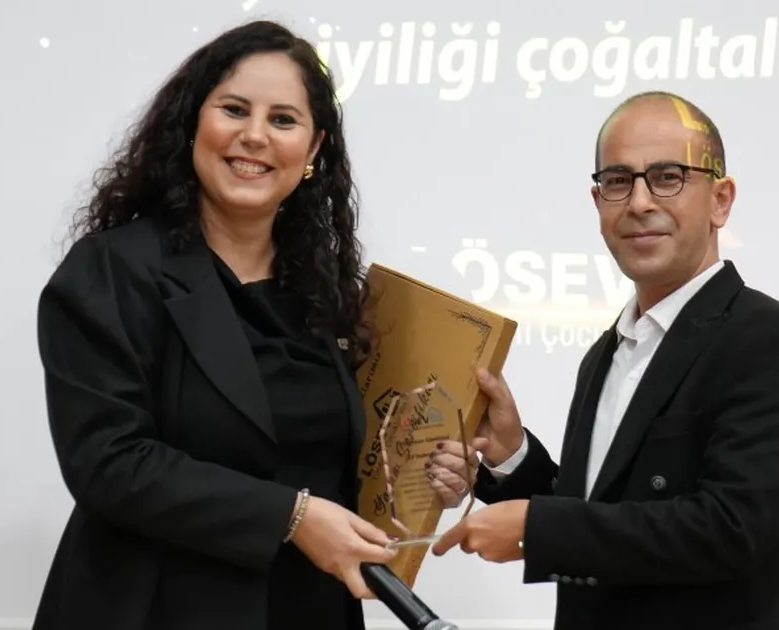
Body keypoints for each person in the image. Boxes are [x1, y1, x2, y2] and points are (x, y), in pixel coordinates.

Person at [32, 20, 472, 630]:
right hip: (158, 608)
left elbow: (341, 462)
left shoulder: (326, 293)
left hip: (309, 607)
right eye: (234, 110)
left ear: (313, 151)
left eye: (283, 120)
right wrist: (291, 517)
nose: (255, 136)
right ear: (192, 123)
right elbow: (108, 463)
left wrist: (429, 477)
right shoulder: (112, 269)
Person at [430, 91, 779, 629]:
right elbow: (603, 516)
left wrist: (537, 528)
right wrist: (511, 454)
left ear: (721, 200)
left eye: (668, 177)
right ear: (598, 201)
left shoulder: (774, 342)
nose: (640, 202)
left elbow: (730, 530)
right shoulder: (605, 353)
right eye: (618, 181)